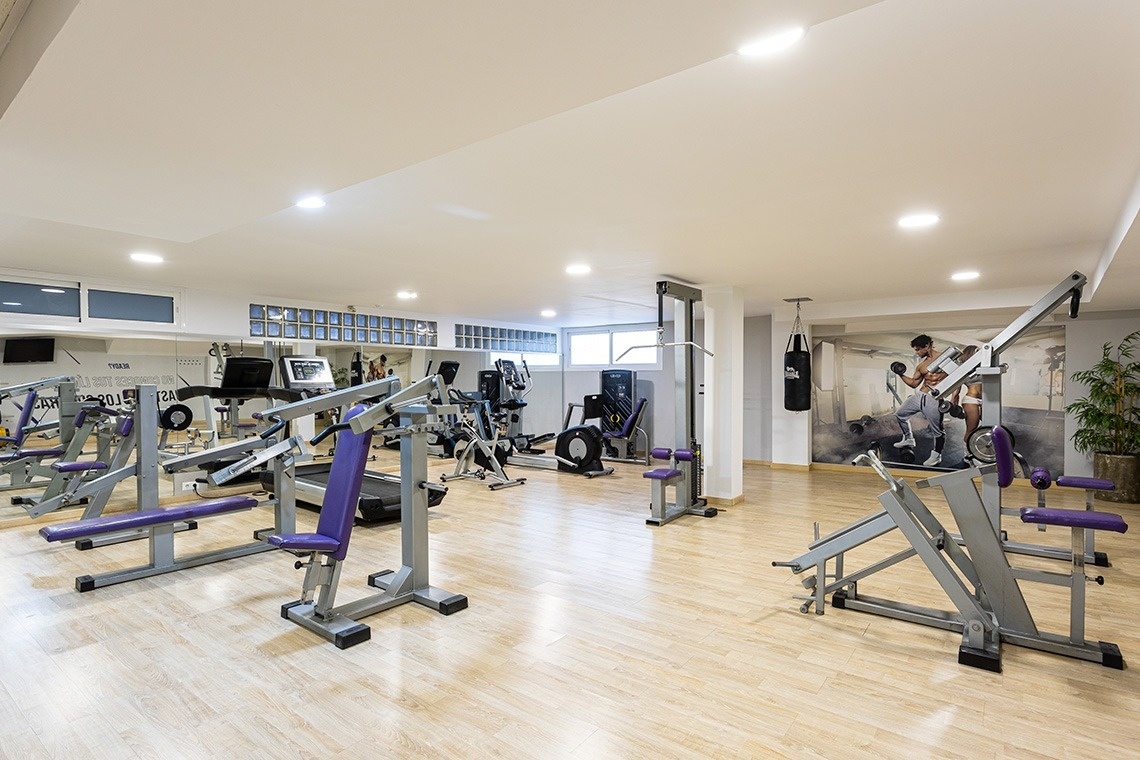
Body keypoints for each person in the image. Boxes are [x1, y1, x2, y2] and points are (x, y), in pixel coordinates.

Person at [892, 334, 949, 467]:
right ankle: (909, 439)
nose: (916, 353)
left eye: (918, 349)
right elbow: (913, 383)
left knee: (938, 430)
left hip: (934, 398)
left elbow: (957, 378)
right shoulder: (921, 365)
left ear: (927, 346)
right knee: (900, 414)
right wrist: (900, 373)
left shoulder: (945, 359)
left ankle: (937, 456)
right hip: (919, 396)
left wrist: (954, 399)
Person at [952, 345, 983, 457]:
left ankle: (981, 450)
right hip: (971, 399)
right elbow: (957, 387)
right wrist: (953, 402)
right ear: (970, 353)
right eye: (976, 352)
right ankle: (967, 454)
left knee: (987, 425)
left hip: (986, 400)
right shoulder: (964, 368)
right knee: (971, 428)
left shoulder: (983, 365)